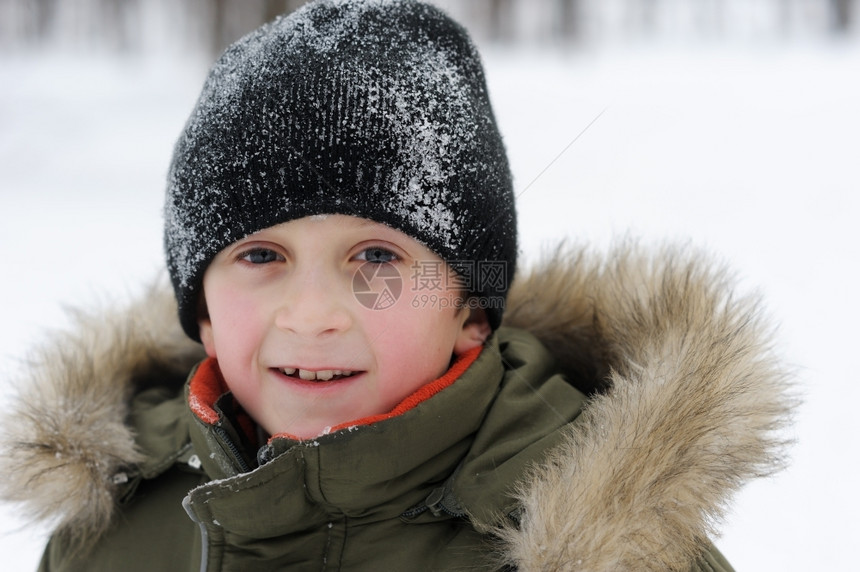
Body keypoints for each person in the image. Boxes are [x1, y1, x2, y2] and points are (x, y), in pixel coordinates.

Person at [0, 1, 793, 570]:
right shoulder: (109, 526)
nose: (311, 316)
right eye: (261, 256)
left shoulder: (607, 544)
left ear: (470, 313)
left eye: (376, 258)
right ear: (201, 312)